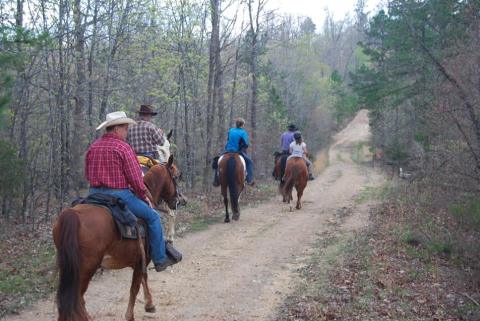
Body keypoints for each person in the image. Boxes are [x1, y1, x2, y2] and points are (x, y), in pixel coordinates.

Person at [85, 111, 178, 272]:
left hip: (94, 194)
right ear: (116, 129)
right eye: (125, 129)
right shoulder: (123, 148)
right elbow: (136, 180)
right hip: (118, 194)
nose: (127, 132)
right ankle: (160, 258)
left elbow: (87, 174)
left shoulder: (93, 147)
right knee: (153, 217)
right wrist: (144, 196)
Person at [213, 117, 254, 186]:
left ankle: (216, 180)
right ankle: (249, 179)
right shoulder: (243, 133)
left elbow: (228, 139)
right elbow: (245, 144)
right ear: (242, 125)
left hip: (228, 150)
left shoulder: (230, 130)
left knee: (217, 161)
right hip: (238, 152)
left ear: (236, 124)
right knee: (250, 162)